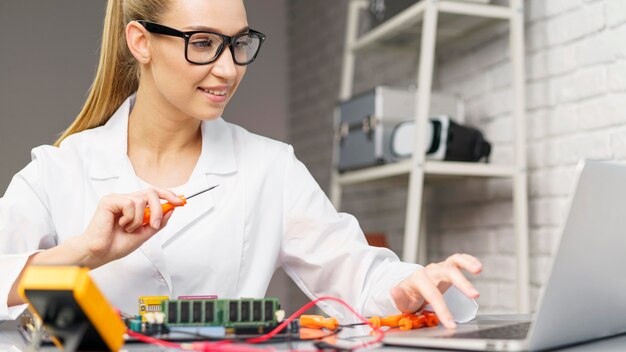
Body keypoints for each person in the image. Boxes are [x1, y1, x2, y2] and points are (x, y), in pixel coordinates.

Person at [0, 0, 482, 328]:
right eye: (204, 43)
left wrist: (412, 284)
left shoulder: (270, 167)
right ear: (141, 42)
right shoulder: (56, 172)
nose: (229, 69)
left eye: (239, 43)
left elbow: (357, 275)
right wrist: (86, 253)